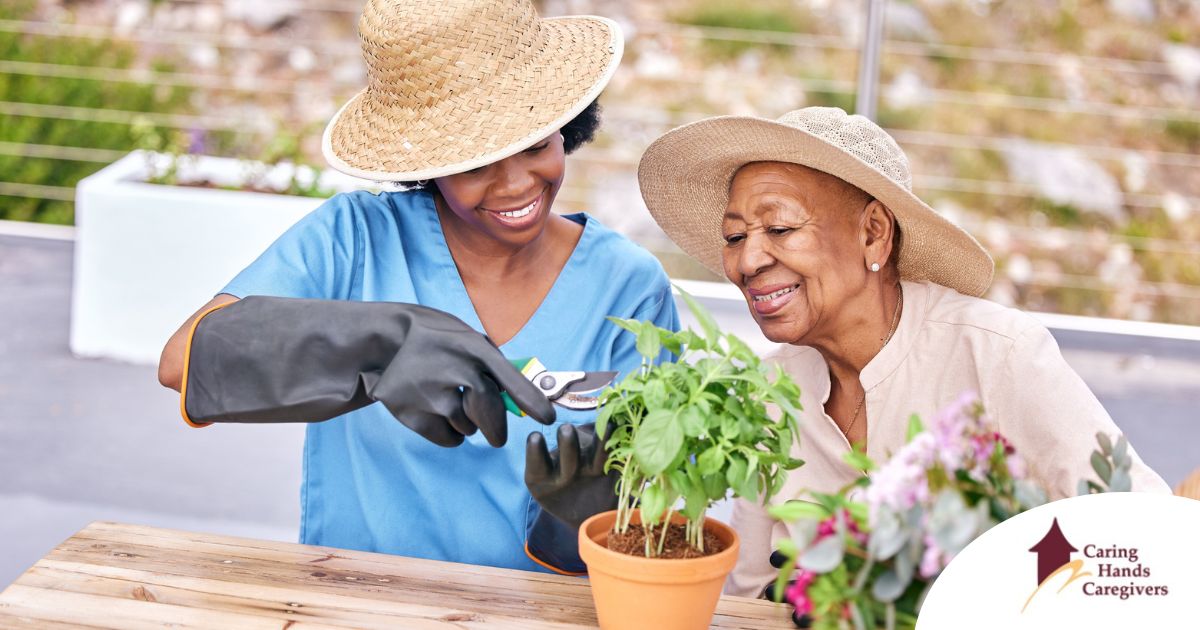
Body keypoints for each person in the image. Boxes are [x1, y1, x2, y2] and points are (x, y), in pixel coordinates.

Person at [157, 0, 677, 575]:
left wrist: (579, 522)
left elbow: (652, 486)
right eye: (477, 162)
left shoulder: (627, 287)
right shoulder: (355, 238)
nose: (516, 184)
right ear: (430, 161)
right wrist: (378, 344)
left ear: (570, 127)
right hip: (354, 602)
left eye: (536, 145)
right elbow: (184, 362)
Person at [635, 106, 1170, 603]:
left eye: (780, 228)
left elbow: (1146, 544)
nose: (747, 260)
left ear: (873, 235)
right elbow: (751, 595)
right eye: (734, 236)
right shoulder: (769, 396)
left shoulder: (997, 355)